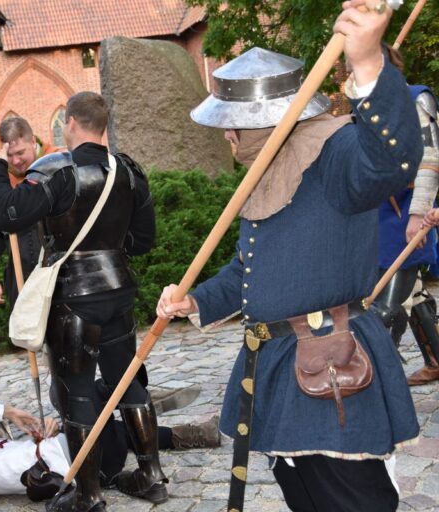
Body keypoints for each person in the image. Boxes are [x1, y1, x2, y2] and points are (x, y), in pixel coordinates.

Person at [157, 2, 422, 510]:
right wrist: (195, 301)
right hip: (278, 369)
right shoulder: (265, 172)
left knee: (352, 502)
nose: (226, 134)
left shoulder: (335, 149)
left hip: (333, 362)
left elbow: (392, 160)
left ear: (260, 119)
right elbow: (248, 272)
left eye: (231, 122)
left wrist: (367, 64)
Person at [0, 91, 160, 511]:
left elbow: (5, 213)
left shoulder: (57, 169)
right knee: (126, 381)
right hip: (118, 288)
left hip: (74, 297)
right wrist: (108, 245)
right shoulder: (129, 170)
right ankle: (152, 477)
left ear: (70, 123)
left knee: (76, 391)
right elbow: (144, 240)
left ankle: (88, 495)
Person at [0, 396, 219, 500]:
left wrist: (49, 432)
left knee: (120, 430)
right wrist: (7, 411)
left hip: (82, 450)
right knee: (91, 395)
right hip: (91, 467)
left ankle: (191, 433)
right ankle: (140, 405)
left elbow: (37, 457)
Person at [371, 76, 439, 386]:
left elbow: (430, 160)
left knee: (386, 303)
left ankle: (373, 380)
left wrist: (418, 213)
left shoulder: (415, 100)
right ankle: (436, 360)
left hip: (407, 213)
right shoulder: (364, 106)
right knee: (412, 292)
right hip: (379, 213)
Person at [0, 117, 60, 306]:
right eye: (9, 156)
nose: (16, 161)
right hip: (21, 276)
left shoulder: (57, 168)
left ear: (32, 141)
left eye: (20, 152)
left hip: (61, 274)